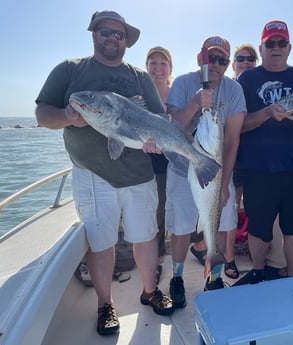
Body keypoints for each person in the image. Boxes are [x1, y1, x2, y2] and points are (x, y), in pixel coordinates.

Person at [35, 10, 174, 336]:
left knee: (146, 238)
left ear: (126, 40)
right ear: (94, 34)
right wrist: (68, 117)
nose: (112, 38)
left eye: (119, 34)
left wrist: (156, 142)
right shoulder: (70, 70)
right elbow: (43, 114)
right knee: (101, 243)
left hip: (140, 173)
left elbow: (158, 118)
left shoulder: (140, 77)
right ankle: (105, 304)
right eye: (105, 32)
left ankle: (150, 290)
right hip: (93, 174)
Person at [234, 20, 293, 284]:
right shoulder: (247, 78)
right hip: (258, 169)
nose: (276, 48)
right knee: (258, 229)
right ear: (261, 47)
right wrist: (267, 113)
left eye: (281, 43)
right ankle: (258, 273)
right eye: (270, 43)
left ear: (289, 47)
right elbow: (239, 125)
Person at [165, 36, 246, 307]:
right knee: (180, 228)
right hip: (181, 169)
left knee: (221, 225)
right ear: (201, 58)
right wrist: (195, 104)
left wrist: (224, 184)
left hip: (217, 172)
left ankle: (213, 277)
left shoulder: (233, 91)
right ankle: (176, 277)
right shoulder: (183, 84)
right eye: (211, 57)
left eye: (222, 59)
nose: (216, 64)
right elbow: (171, 129)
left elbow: (233, 140)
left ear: (227, 64)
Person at [145, 46, 173, 283]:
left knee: (188, 208)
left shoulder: (178, 94)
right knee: (157, 215)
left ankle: (198, 244)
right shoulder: (140, 97)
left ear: (170, 68)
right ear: (146, 68)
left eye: (163, 63)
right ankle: (157, 260)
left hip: (179, 162)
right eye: (153, 63)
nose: (158, 68)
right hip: (151, 165)